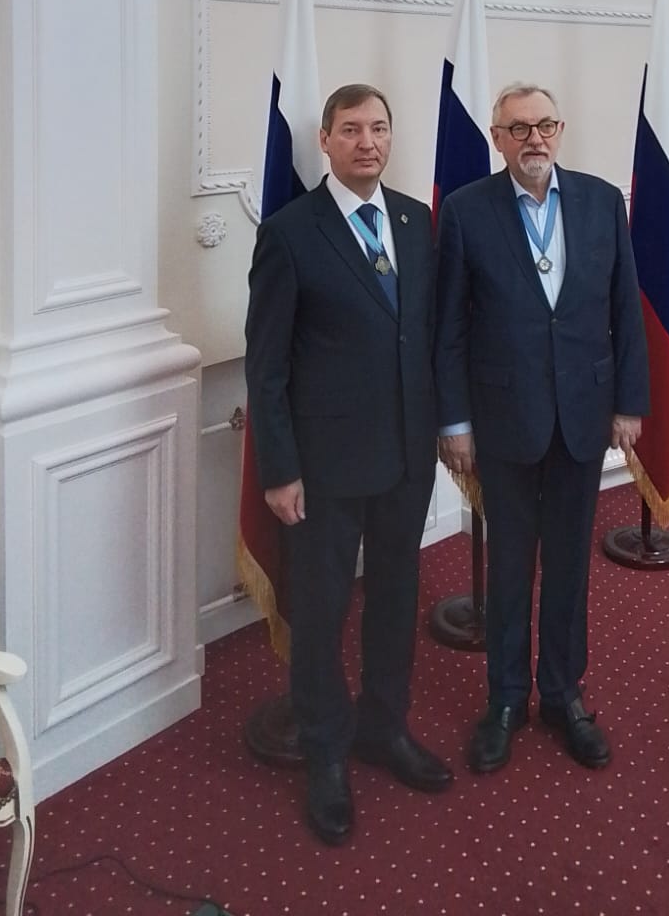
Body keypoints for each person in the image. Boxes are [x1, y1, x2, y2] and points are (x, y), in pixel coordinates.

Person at [244, 84, 451, 846]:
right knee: (322, 611)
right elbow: (267, 366)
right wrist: (279, 469)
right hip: (323, 467)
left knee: (396, 598)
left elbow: (425, 336)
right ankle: (326, 750)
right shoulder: (289, 233)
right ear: (326, 141)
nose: (368, 142)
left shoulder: (417, 221)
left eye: (379, 128)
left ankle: (383, 727)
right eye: (352, 129)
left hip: (406, 456)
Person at [435, 83, 648, 773]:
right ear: (497, 138)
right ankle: (504, 699)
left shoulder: (601, 202)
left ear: (561, 130)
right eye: (519, 128)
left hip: (584, 416)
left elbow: (626, 308)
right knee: (507, 569)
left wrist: (629, 404)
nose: (535, 139)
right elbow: (450, 328)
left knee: (568, 566)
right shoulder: (466, 211)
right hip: (504, 421)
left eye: (546, 125)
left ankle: (562, 694)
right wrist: (455, 421)